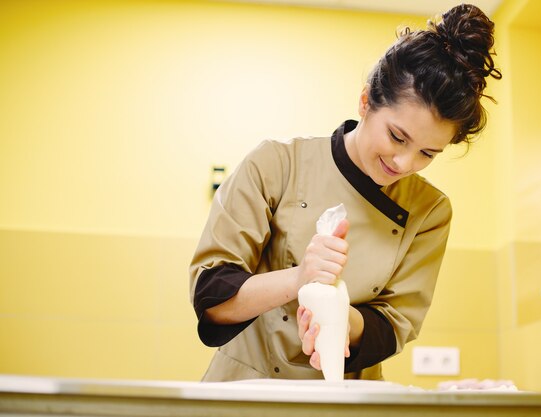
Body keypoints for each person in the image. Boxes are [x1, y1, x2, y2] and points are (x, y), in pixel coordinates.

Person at [189, 3, 501, 382]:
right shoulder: (276, 163)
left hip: (347, 397)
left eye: (427, 153)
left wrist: (337, 320)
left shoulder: (429, 211)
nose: (404, 163)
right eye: (397, 136)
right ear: (366, 101)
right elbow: (212, 298)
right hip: (246, 389)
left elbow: (393, 324)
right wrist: (300, 277)